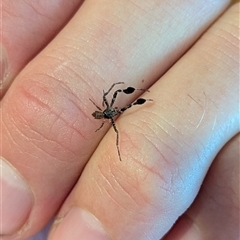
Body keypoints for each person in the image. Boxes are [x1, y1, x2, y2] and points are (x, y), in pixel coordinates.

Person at [1, 0, 239, 239]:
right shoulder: (107, 118)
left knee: (123, 100)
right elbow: (105, 111)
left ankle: (143, 96)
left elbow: (111, 95)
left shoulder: (111, 112)